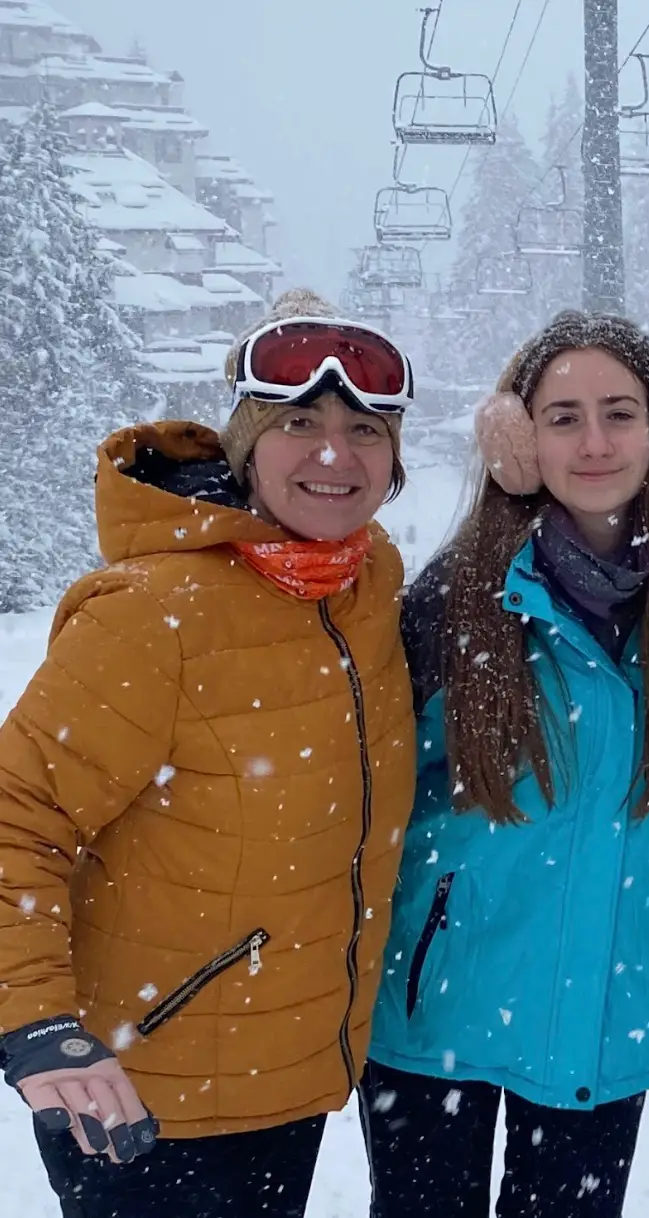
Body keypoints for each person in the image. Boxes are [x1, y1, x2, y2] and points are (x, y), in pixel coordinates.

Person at [361, 310, 649, 1218]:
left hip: (612, 1014)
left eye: (620, 413)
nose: (595, 442)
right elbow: (348, 772)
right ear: (519, 442)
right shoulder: (450, 604)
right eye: (563, 418)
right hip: (434, 1015)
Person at [0, 289, 420, 1217]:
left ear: (393, 461)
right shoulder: (153, 615)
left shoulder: (364, 578)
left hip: (286, 1076)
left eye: (364, 430)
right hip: (146, 1097)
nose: (331, 454)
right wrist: (36, 1025)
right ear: (243, 442)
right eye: (298, 423)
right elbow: (15, 816)